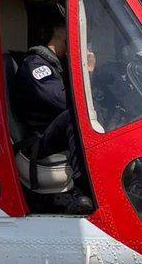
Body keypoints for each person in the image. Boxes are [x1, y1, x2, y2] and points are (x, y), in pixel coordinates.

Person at [14, 21, 94, 214]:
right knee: (74, 115)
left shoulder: (57, 64)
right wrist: (88, 73)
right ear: (61, 34)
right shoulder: (35, 65)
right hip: (39, 142)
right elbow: (63, 102)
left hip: (54, 136)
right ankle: (85, 189)